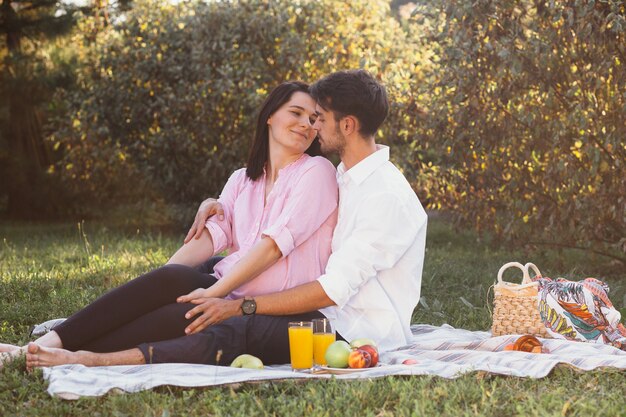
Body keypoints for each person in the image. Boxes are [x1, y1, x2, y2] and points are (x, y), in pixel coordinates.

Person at [23, 69, 427, 369]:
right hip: (315, 309)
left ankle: (90, 359)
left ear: (348, 125)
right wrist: (215, 204)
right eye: (305, 115)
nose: (312, 125)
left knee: (228, 328)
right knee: (174, 288)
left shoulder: (383, 195)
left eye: (319, 117)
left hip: (351, 328)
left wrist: (240, 305)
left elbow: (329, 289)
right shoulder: (348, 174)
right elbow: (259, 209)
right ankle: (61, 345)